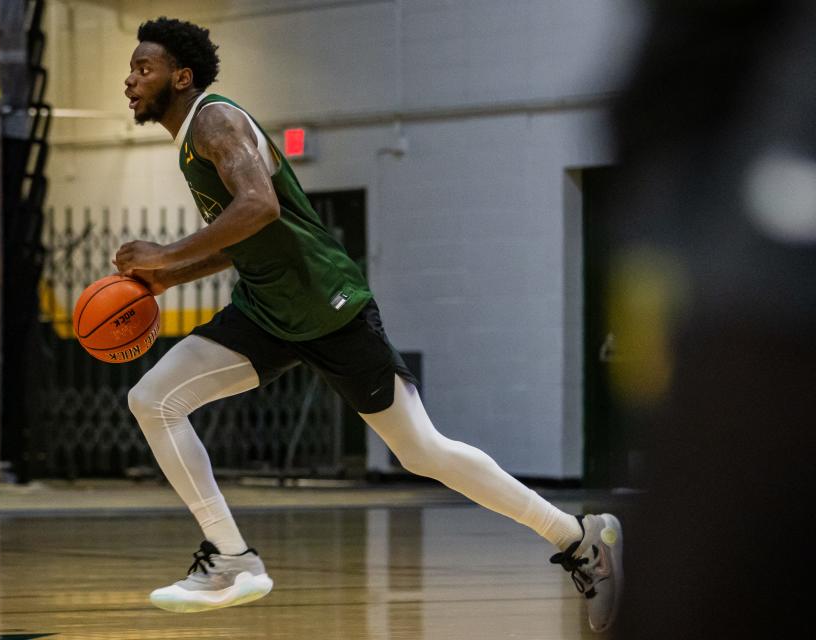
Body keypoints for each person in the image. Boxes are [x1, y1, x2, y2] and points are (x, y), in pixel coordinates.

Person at [113, 16, 623, 631]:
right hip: (268, 309)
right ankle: (230, 558)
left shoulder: (215, 121)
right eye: (132, 68)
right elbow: (252, 234)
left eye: (144, 68)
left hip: (329, 305)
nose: (130, 80)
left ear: (182, 76)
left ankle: (577, 539)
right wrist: (173, 277)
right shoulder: (192, 140)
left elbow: (260, 206)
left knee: (422, 451)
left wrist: (166, 254)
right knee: (153, 399)